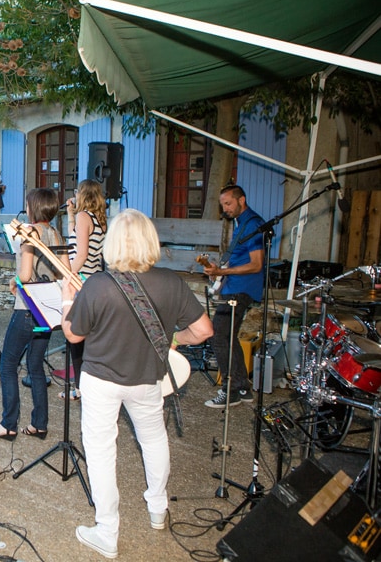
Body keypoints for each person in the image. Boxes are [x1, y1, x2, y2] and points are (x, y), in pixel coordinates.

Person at [60, 209, 213, 559]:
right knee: (154, 439)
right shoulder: (172, 282)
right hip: (147, 378)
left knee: (101, 451)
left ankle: (107, 530)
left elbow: (73, 333)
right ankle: (157, 509)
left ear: (113, 242)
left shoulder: (98, 284)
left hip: (101, 378)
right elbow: (204, 331)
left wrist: (68, 297)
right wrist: (175, 340)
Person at [0, 187, 67, 440]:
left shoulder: (29, 233)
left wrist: (14, 279)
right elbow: (64, 272)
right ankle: (39, 424)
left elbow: (24, 275)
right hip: (47, 312)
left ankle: (8, 424)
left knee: (8, 366)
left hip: (27, 310)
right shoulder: (56, 234)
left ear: (33, 206)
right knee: (35, 366)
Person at [201, 185, 266, 408]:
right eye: (223, 205)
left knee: (217, 334)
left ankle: (230, 390)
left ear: (241, 200)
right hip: (234, 286)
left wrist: (223, 272)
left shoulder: (254, 224)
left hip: (242, 288)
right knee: (228, 337)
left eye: (228, 203)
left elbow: (256, 265)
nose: (225, 209)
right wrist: (217, 272)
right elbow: (238, 259)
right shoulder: (242, 224)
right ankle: (242, 387)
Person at [62, 179, 108, 401]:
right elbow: (75, 239)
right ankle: (85, 385)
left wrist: (68, 277)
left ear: (83, 193)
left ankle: (80, 387)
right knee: (89, 338)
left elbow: (80, 254)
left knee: (76, 337)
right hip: (95, 280)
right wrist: (71, 213)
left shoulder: (84, 217)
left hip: (81, 281)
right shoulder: (97, 219)